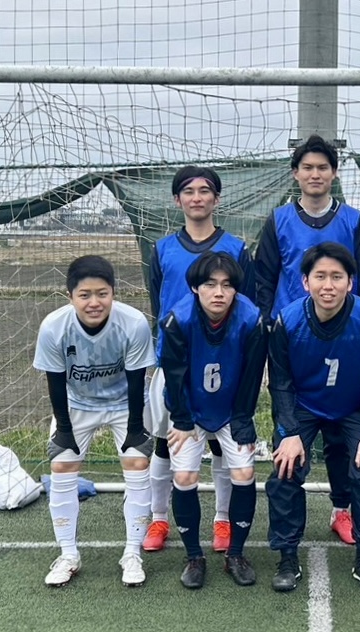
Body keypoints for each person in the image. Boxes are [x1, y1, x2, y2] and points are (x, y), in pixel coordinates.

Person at [255, 134, 360, 546]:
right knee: (292, 427)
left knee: (343, 436)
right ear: (295, 174)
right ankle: (287, 535)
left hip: (344, 341)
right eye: (307, 167)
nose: (315, 174)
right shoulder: (278, 220)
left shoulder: (352, 220)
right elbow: (264, 278)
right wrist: (268, 328)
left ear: (334, 173)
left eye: (322, 167)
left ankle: (342, 510)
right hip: (295, 342)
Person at [265, 242, 360, 592]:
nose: (328, 285)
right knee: (285, 469)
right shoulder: (288, 320)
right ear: (305, 282)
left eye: (337, 277)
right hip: (303, 407)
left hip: (352, 406)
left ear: (350, 282)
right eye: (320, 277)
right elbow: (281, 382)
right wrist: (289, 432)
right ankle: (287, 556)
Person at [143, 165, 256, 554]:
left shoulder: (236, 248)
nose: (197, 197)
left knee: (224, 445)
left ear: (216, 199)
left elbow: (245, 303)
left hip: (223, 360)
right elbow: (159, 302)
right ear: (177, 200)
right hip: (176, 361)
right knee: (168, 441)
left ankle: (222, 519)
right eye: (188, 191)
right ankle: (159, 517)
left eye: (205, 190)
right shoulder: (162, 249)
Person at [34, 255, 156, 587]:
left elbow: (137, 380)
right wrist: (64, 429)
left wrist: (135, 429)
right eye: (84, 295)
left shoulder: (133, 323)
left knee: (137, 464)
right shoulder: (53, 327)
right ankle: (68, 554)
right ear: (70, 296)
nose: (94, 302)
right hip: (77, 403)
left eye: (102, 293)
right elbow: (55, 382)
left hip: (124, 403)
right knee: (61, 466)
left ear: (113, 292)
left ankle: (132, 553)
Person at [160, 252, 267, 588]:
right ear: (195, 287)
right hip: (189, 409)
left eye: (227, 285)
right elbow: (173, 376)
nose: (219, 292)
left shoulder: (251, 320)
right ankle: (194, 556)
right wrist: (181, 419)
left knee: (244, 472)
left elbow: (252, 375)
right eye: (210, 284)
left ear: (236, 289)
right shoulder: (178, 320)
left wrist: (243, 417)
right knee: (185, 475)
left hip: (231, 409)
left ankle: (235, 553)